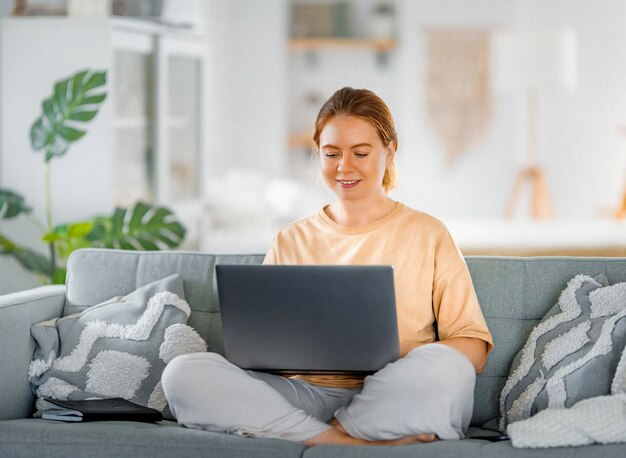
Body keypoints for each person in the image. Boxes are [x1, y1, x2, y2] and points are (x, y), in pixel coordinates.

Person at [162, 87, 494, 447]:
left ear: (389, 151)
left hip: (395, 391)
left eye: (360, 153)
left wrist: (391, 350)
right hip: (300, 395)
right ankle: (348, 443)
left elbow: (474, 351)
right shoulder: (289, 240)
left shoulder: (428, 233)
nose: (344, 167)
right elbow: (258, 349)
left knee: (450, 369)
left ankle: (318, 436)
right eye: (331, 153)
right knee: (183, 372)